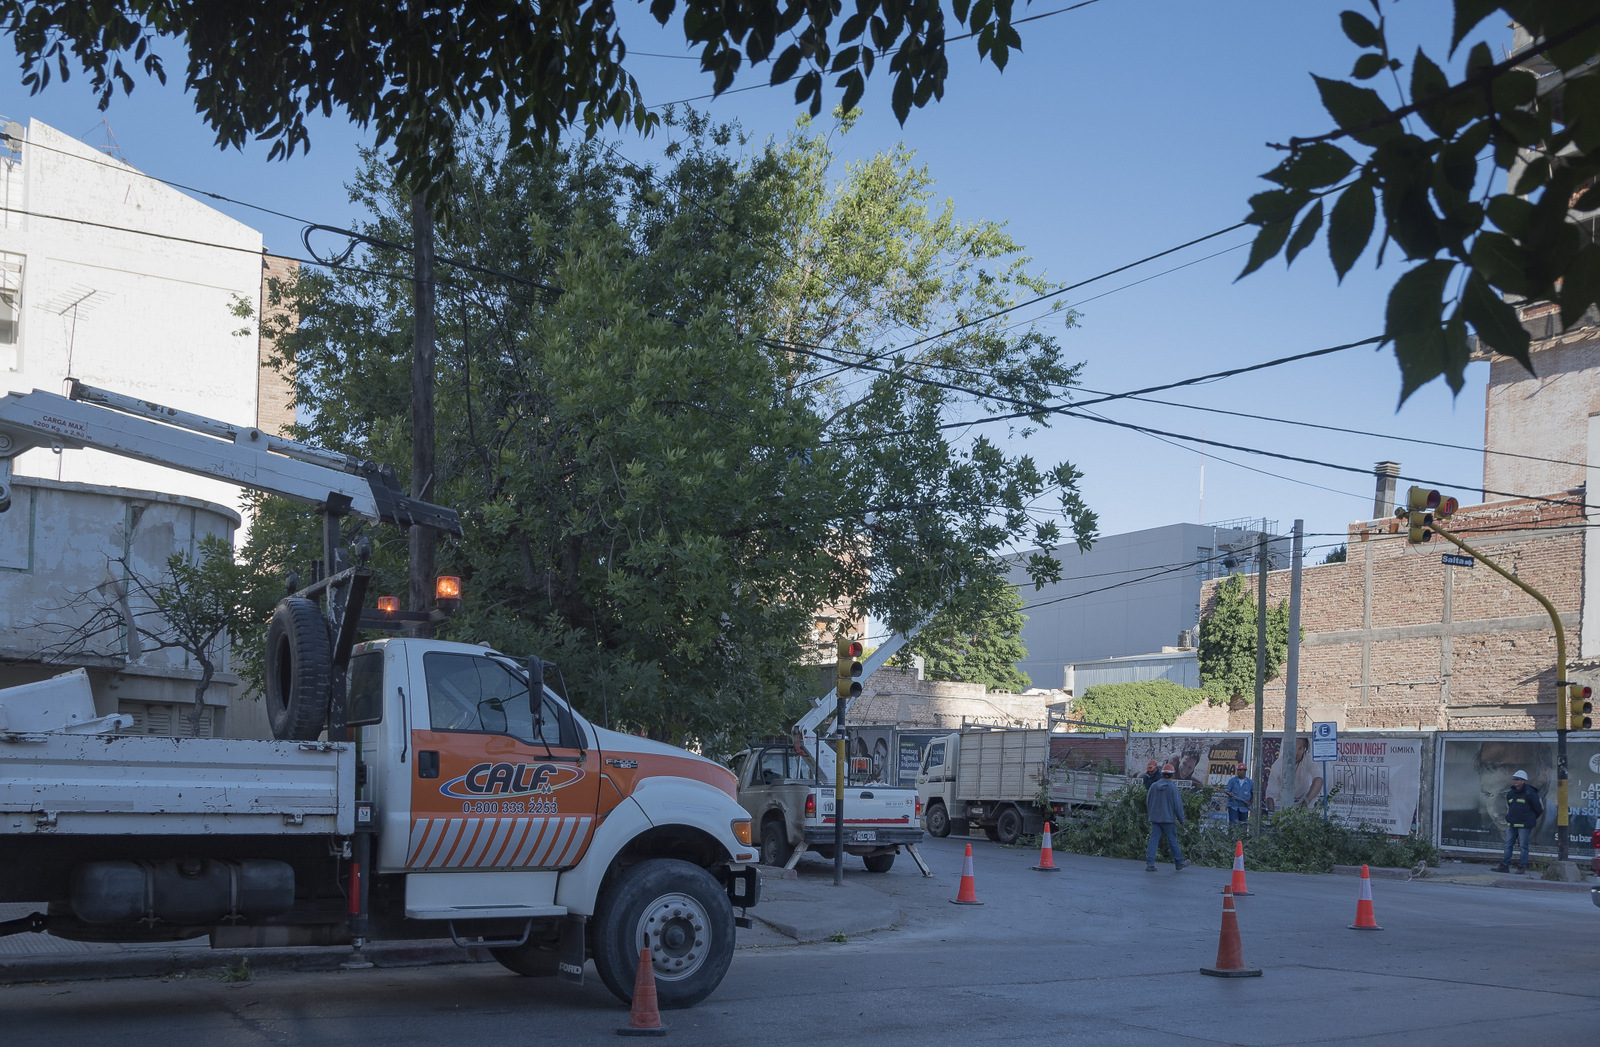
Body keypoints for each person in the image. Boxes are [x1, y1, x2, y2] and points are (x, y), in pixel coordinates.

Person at [1494, 769, 1544, 873]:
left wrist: (1529, 818)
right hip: (1512, 824)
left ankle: (1521, 867)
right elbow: (1511, 807)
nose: (1515, 781)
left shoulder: (1530, 793)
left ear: (1523, 781)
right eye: (1514, 779)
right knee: (1508, 845)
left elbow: (1538, 809)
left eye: (1517, 779)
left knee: (1523, 846)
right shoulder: (1511, 793)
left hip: (1524, 825)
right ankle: (1504, 866)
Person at [1145, 763, 1188, 872]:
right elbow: (1178, 806)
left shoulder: (1154, 786)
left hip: (1155, 818)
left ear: (1162, 773)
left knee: (1153, 840)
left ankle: (1150, 864)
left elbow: (1148, 801)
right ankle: (1179, 863)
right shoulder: (1173, 788)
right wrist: (1182, 820)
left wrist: (1151, 814)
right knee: (1173, 840)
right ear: (1173, 775)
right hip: (1168, 819)